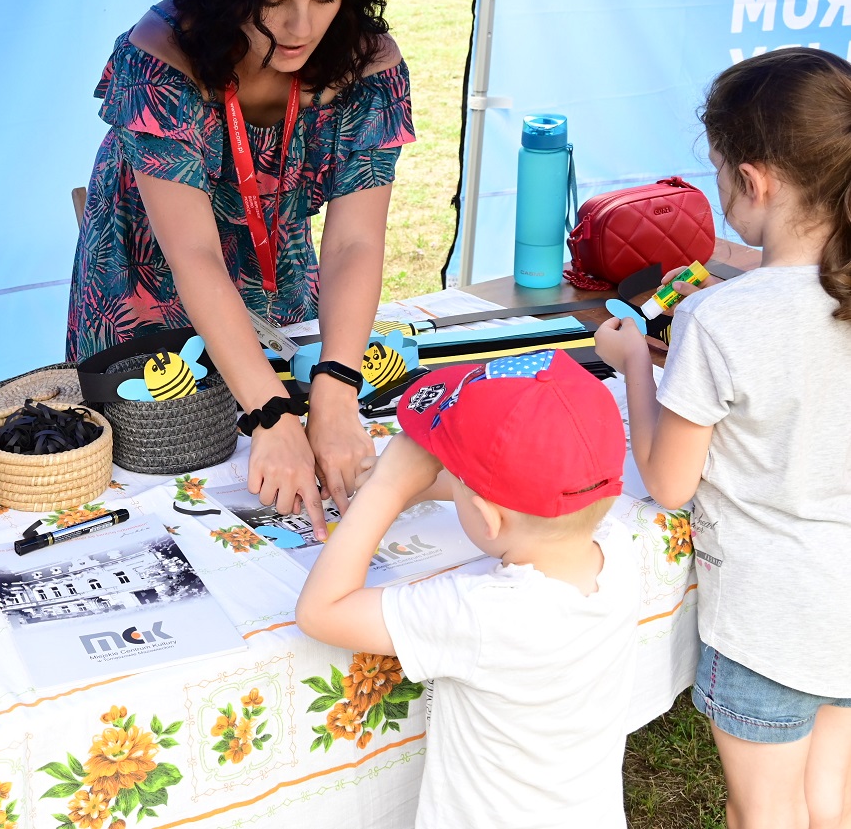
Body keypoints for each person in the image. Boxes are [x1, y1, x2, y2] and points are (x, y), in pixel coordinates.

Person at [67, 0, 413, 536]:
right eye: (274, 0)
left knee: (286, 476)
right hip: (148, 284)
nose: (300, 28)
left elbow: (353, 241)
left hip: (274, 275)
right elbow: (192, 253)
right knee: (154, 491)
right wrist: (273, 413)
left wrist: (335, 394)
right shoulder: (162, 54)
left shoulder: (367, 67)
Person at [595, 47, 851, 829]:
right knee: (829, 801)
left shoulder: (718, 320)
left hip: (767, 620)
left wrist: (634, 363)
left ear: (753, 180)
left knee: (764, 811)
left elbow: (668, 482)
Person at [297, 349, 641, 828]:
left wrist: (388, 490)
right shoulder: (619, 550)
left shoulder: (482, 613)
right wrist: (427, 485)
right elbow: (533, 495)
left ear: (486, 517)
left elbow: (322, 611)